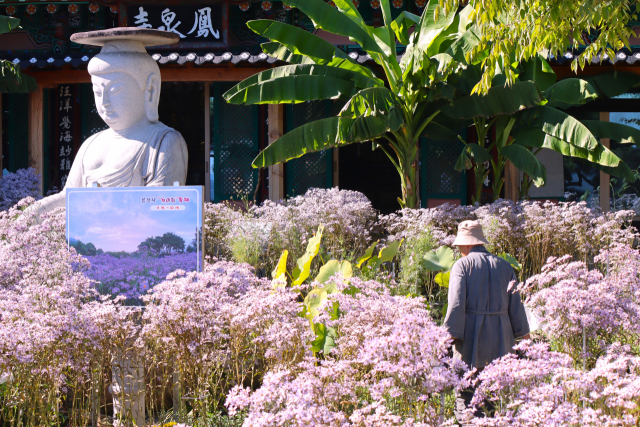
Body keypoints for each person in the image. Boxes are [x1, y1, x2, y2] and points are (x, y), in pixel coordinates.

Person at [443, 220, 530, 423]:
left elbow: (455, 307)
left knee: (467, 399)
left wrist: (444, 342)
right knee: (497, 400)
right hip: (503, 341)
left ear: (465, 244)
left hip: (472, 343)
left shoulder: (461, 266)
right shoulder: (505, 266)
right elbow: (516, 308)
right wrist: (527, 343)